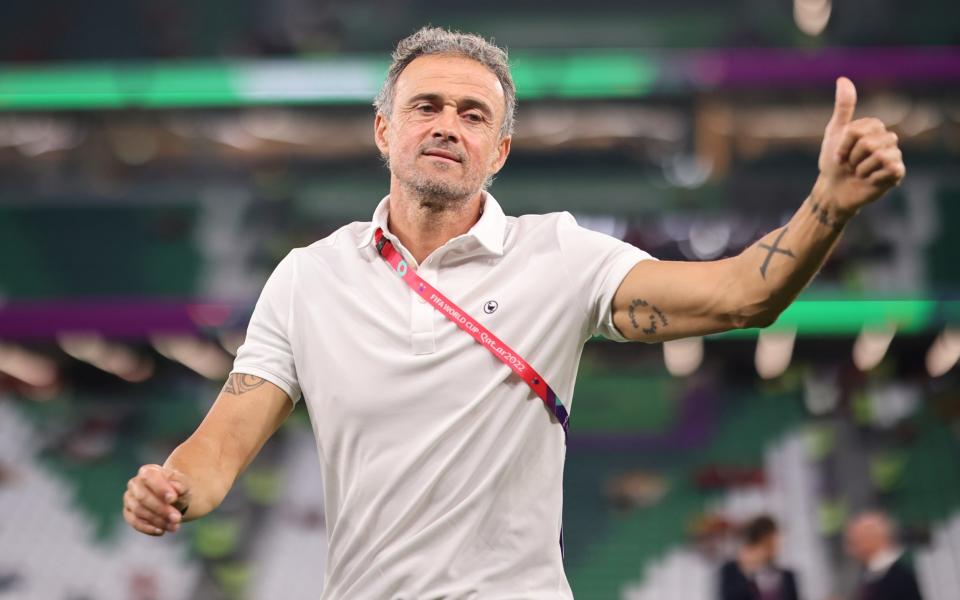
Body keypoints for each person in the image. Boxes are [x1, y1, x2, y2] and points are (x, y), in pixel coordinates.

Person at [121, 26, 906, 598]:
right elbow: (217, 452)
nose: (447, 126)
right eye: (426, 106)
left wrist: (827, 208)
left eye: (472, 115)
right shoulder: (308, 278)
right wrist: (172, 489)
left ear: (498, 150)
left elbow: (744, 295)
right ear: (385, 130)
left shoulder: (559, 257)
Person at [845, 511, 923, 600]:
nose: (849, 551)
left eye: (854, 542)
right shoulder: (870, 574)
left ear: (872, 539)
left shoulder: (899, 577)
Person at [719, 515, 800, 600]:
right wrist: (747, 567)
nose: (777, 545)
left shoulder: (787, 576)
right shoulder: (731, 572)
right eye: (768, 543)